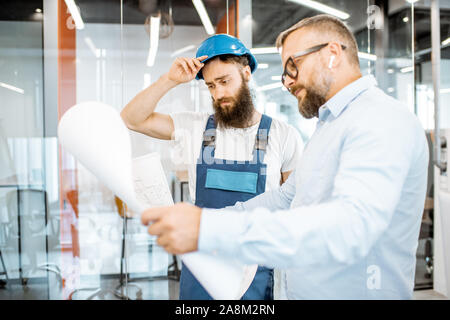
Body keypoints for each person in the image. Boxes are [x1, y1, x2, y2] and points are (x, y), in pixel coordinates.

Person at [140, 14, 429, 299]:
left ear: (332, 54)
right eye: (285, 72)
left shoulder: (378, 119)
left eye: (294, 64)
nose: (289, 82)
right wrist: (203, 219)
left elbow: (350, 227)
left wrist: (211, 229)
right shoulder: (329, 126)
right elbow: (285, 198)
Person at [121, 34, 303, 300]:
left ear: (246, 72)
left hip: (256, 269)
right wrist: (170, 80)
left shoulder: (283, 135)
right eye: (210, 86)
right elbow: (132, 119)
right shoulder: (195, 127)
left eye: (224, 81)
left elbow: (294, 209)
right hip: (202, 267)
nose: (218, 94)